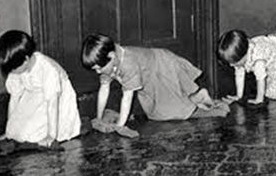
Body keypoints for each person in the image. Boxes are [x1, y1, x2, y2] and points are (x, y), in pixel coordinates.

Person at [81, 34, 228, 132]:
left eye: (99, 68)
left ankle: (199, 97)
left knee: (172, 112)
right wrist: (98, 117)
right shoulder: (108, 62)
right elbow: (104, 88)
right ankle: (196, 97)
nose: (98, 72)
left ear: (111, 56)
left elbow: (127, 97)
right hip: (149, 77)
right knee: (156, 113)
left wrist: (120, 126)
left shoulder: (128, 63)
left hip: (162, 66)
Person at [0, 30, 81, 147]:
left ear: (26, 60)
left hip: (57, 96)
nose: (11, 73)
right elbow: (14, 99)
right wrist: (8, 133)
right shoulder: (17, 69)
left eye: (13, 69)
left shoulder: (48, 69)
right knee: (17, 133)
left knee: (32, 136)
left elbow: (53, 104)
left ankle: (52, 131)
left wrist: (51, 136)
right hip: (34, 93)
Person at [217, 29, 276, 104]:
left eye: (234, 62)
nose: (231, 65)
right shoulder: (244, 51)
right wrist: (239, 95)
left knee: (275, 93)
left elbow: (260, 79)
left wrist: (259, 99)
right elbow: (239, 73)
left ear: (244, 55)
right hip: (274, 59)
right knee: (270, 89)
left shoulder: (258, 59)